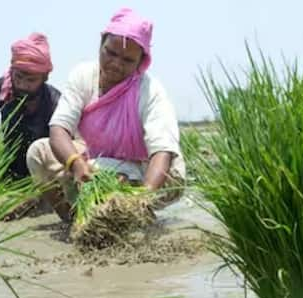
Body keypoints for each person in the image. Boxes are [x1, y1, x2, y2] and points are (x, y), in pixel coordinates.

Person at [26, 8, 186, 222]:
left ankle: (133, 214)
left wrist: (142, 197)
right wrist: (75, 164)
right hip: (98, 160)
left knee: (108, 177)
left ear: (141, 62)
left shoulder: (150, 91)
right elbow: (59, 130)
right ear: (101, 43)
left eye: (128, 60)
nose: (116, 64)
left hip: (151, 170)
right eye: (110, 53)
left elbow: (162, 153)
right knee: (37, 152)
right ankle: (75, 221)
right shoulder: (83, 76)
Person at [0, 33, 61, 181]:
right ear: (11, 70)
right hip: (9, 173)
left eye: (31, 80)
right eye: (18, 77)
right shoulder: (2, 89)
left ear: (45, 77)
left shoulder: (54, 102)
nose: (23, 85)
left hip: (44, 176)